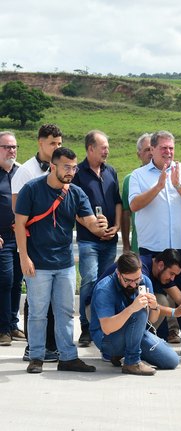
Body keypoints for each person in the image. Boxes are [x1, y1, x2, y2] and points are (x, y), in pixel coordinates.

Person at [15, 147, 108, 374]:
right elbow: (19, 225)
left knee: (66, 312)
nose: (71, 172)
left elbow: (89, 223)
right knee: (38, 312)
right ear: (53, 166)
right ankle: (36, 356)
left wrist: (100, 225)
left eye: (74, 167)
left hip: (65, 263)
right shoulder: (31, 189)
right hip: (37, 263)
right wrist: (24, 257)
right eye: (67, 167)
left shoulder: (76, 192)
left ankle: (67, 357)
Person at [128, 131, 181, 358]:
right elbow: (134, 205)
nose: (168, 152)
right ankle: (155, 341)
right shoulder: (139, 175)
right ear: (151, 149)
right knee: (152, 297)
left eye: (171, 148)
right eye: (163, 148)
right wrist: (158, 187)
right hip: (152, 249)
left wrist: (177, 185)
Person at [12, 124, 64, 362]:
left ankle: (50, 345)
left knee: (52, 298)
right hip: (33, 241)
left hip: (53, 243)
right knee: (35, 297)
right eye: (52, 143)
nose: (57, 147)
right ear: (40, 143)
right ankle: (32, 347)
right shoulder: (26, 171)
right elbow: (17, 209)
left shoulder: (61, 169)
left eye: (59, 143)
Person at [90, 252, 179, 375]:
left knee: (171, 361)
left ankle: (125, 352)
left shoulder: (144, 281)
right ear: (118, 273)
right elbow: (107, 328)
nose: (133, 284)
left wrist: (154, 307)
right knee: (139, 309)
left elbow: (152, 320)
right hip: (107, 340)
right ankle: (132, 362)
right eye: (128, 280)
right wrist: (132, 308)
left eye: (137, 279)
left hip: (135, 334)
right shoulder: (104, 289)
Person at [72, 130, 122, 348]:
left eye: (107, 146)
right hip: (88, 240)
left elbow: (118, 202)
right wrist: (93, 228)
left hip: (110, 239)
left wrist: (117, 226)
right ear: (90, 148)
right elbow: (73, 208)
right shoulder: (78, 174)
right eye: (103, 147)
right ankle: (86, 327)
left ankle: (102, 324)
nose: (107, 150)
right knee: (90, 280)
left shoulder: (111, 171)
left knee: (105, 283)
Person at [0, 131, 23, 346]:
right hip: (2, 237)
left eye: (14, 146)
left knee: (18, 281)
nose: (11, 150)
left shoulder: (21, 172)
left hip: (21, 236)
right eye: (7, 147)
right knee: (5, 281)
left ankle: (13, 325)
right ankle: (3, 329)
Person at [121, 133, 152, 254]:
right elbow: (125, 213)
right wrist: (126, 245)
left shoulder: (167, 177)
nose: (150, 153)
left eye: (153, 149)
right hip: (138, 245)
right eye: (147, 150)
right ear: (139, 154)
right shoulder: (130, 179)